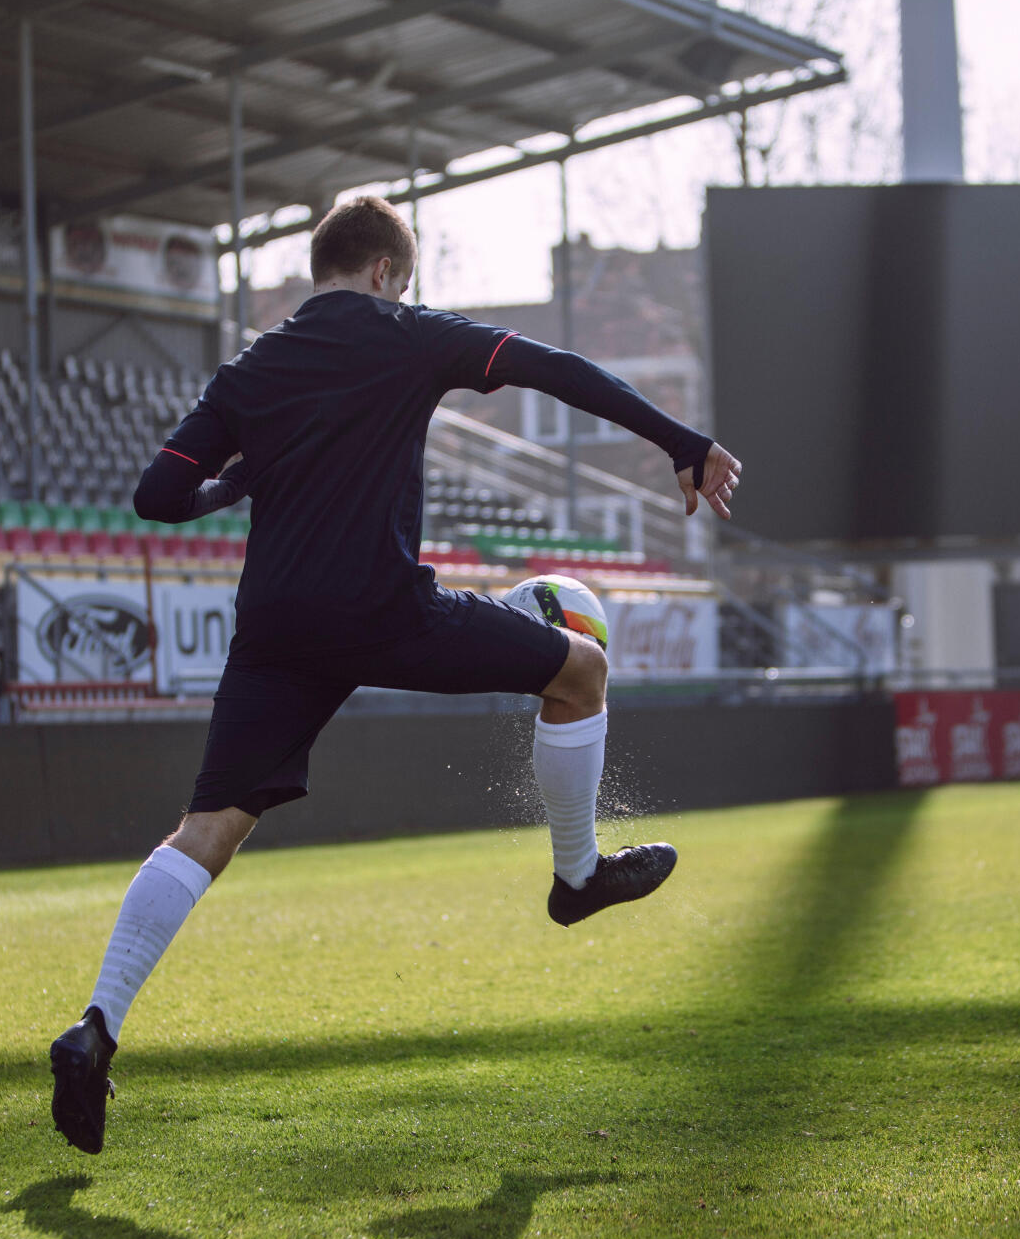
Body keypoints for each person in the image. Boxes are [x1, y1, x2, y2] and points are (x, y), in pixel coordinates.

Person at [50, 197, 739, 1154]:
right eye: (403, 282)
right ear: (384, 273)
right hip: (380, 611)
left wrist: (233, 485)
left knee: (205, 830)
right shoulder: (407, 335)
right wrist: (683, 442)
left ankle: (95, 1029)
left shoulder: (253, 366)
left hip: (276, 630)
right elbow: (560, 371)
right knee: (579, 670)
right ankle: (577, 876)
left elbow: (158, 495)